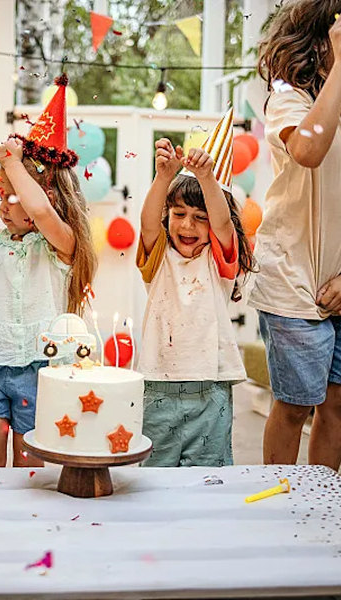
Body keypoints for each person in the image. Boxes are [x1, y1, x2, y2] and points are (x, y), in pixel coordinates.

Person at [0, 74, 97, 468]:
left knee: (30, 465)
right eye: (0, 196)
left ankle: (27, 528)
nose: (3, 206)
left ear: (48, 193)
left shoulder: (61, 243)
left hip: (39, 364)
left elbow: (42, 213)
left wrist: (12, 163)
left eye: (10, 195)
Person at [249, 0, 341, 470]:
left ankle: (319, 508)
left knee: (338, 408)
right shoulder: (288, 96)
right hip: (292, 280)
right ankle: (278, 511)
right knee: (296, 406)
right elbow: (308, 150)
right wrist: (340, 66)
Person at [137, 108, 256, 467]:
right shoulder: (157, 257)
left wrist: (206, 179)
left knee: (209, 476)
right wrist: (164, 177)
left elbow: (222, 222)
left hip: (212, 385)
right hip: (158, 383)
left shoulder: (218, 259)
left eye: (199, 218)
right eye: (179, 214)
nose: (188, 225)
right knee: (154, 475)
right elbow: (146, 222)